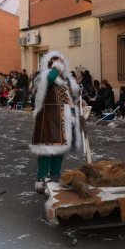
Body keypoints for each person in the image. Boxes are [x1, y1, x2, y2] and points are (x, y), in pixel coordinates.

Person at [30, 51, 82, 194]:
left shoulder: (64, 82)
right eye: (58, 63)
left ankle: (54, 177)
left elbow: (70, 98)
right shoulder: (43, 77)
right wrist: (56, 67)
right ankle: (41, 179)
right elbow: (48, 80)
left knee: (59, 152)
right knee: (46, 152)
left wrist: (76, 108)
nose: (61, 66)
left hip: (63, 121)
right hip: (48, 121)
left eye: (62, 63)